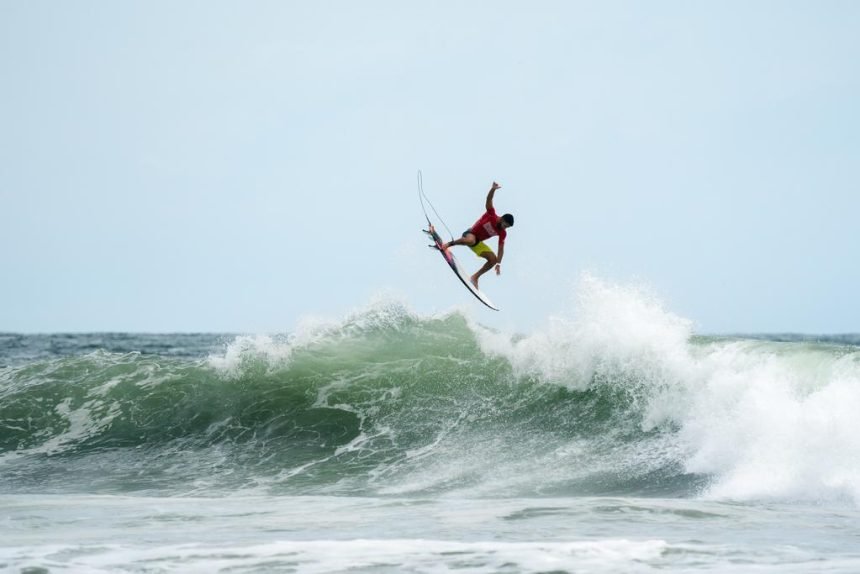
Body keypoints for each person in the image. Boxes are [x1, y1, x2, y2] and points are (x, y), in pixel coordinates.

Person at [443, 182, 514, 289]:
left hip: (477, 242)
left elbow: (501, 249)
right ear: (502, 219)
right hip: (470, 234)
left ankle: (475, 277)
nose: (505, 228)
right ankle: (448, 244)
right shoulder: (491, 214)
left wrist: (498, 264)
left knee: (493, 259)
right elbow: (489, 200)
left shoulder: (502, 233)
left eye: (507, 227)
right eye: (505, 225)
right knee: (471, 240)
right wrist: (493, 189)